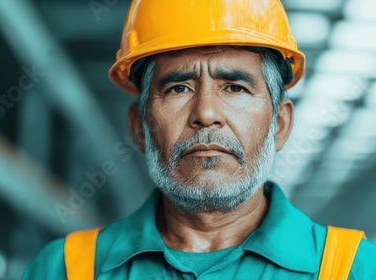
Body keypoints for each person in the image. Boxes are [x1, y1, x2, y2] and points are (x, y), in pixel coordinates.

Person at [23, 0, 376, 279]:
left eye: (235, 87)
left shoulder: (356, 269)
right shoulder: (63, 270)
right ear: (138, 127)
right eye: (178, 87)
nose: (205, 113)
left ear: (280, 125)